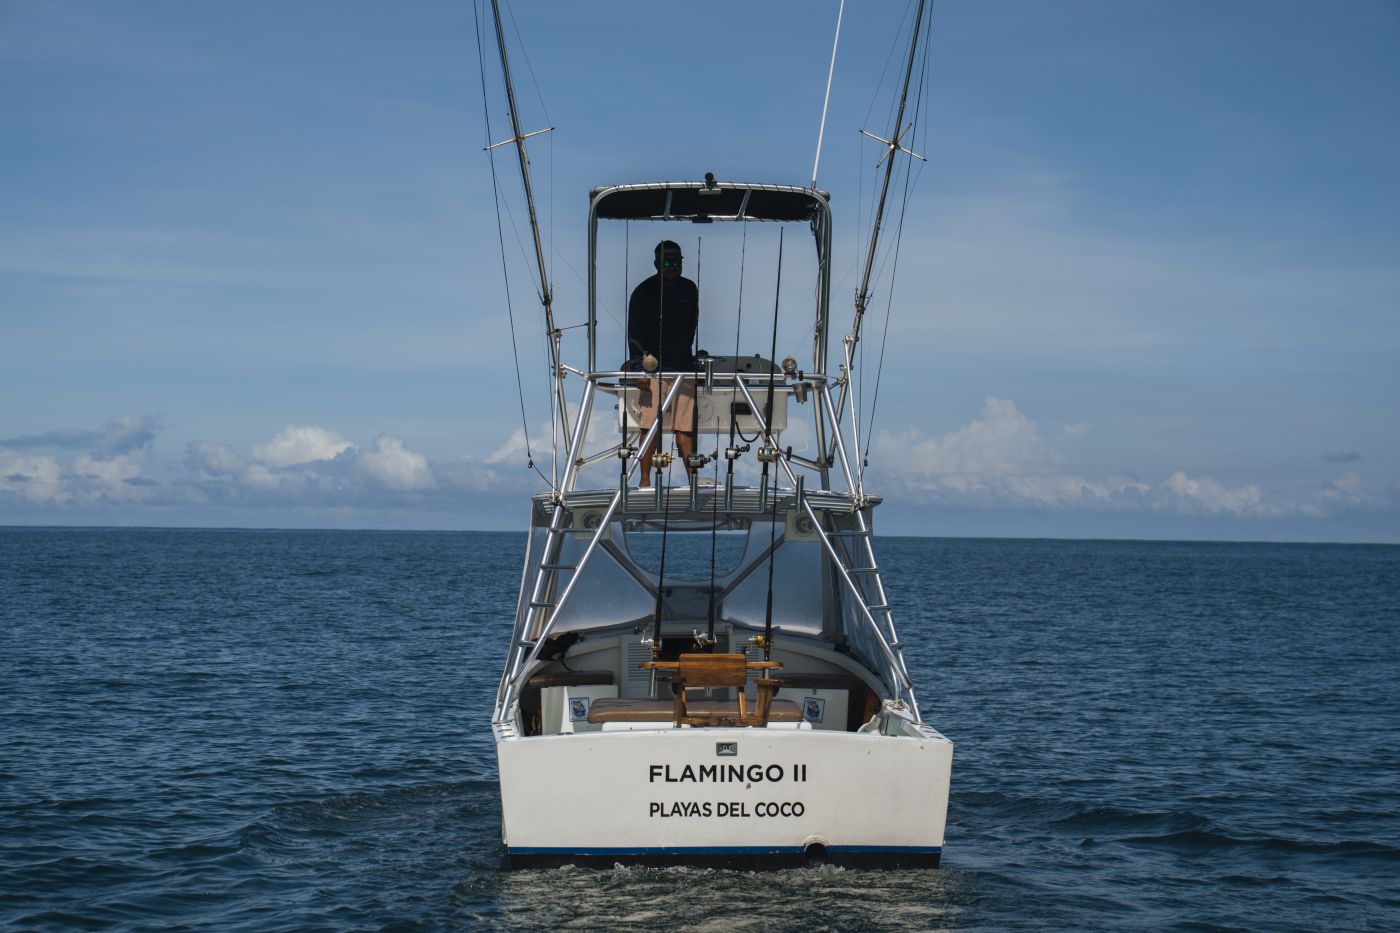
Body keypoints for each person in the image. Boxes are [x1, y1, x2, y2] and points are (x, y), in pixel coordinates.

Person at [627, 240, 699, 487]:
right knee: (649, 428)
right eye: (668, 262)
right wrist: (640, 370)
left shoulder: (690, 289)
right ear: (657, 264)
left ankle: (693, 481)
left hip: (683, 368)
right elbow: (634, 333)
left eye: (677, 262)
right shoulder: (642, 292)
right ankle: (645, 480)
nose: (673, 267)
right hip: (652, 370)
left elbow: (691, 325)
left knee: (686, 430)